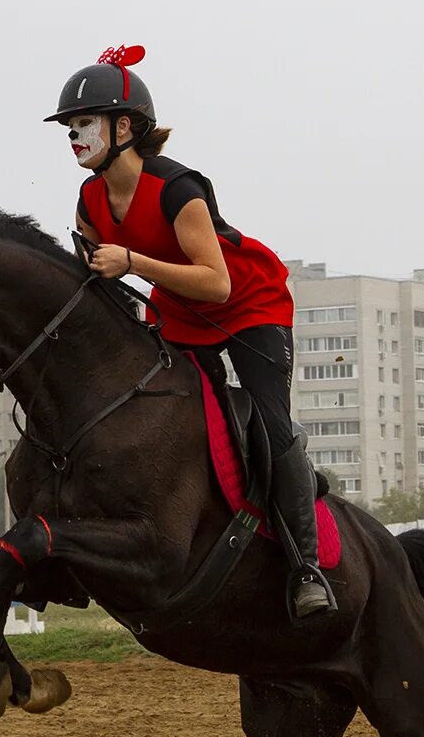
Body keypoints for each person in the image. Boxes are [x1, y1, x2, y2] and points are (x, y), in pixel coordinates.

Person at [47, 45, 335, 619]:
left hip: (250, 304)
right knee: (173, 418)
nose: (74, 137)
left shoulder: (178, 188)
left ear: (124, 127)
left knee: (269, 422)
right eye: (69, 127)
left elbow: (215, 284)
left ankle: (306, 569)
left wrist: (130, 261)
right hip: (178, 310)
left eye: (85, 124)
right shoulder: (88, 198)